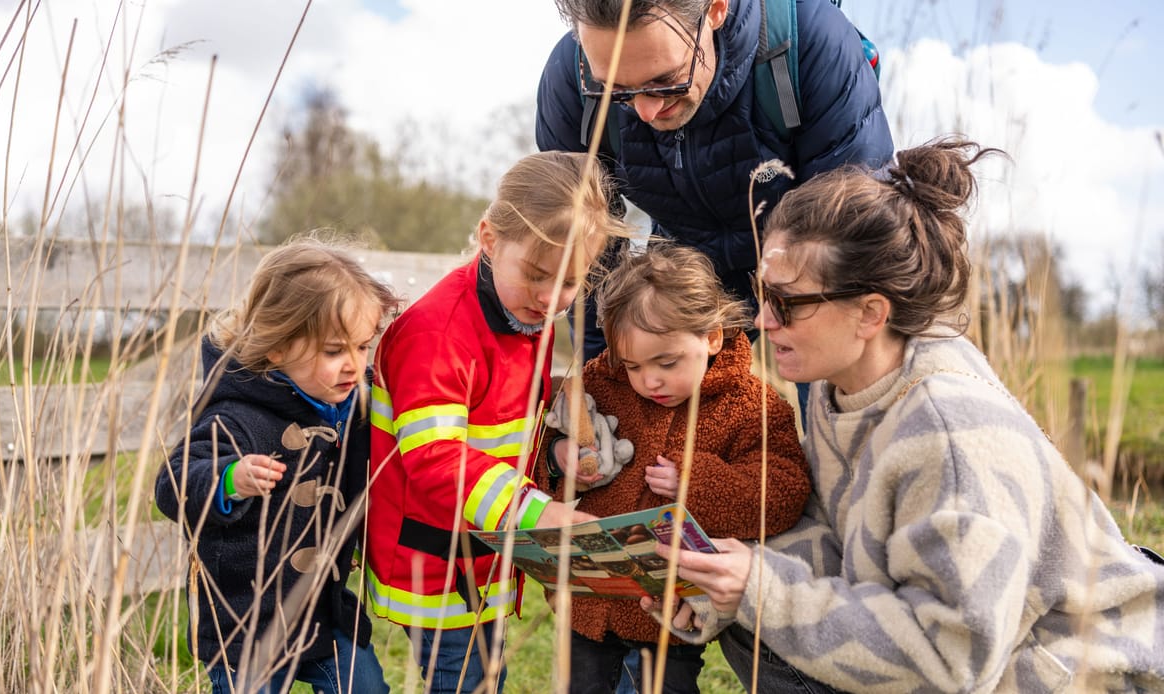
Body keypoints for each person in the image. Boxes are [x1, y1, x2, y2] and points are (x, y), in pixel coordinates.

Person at [643, 138, 1164, 692]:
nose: (762, 320)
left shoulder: (950, 433)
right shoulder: (843, 387)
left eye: (787, 303)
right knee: (754, 622)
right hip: (981, 652)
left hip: (1076, 672)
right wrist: (724, 584)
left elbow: (953, 658)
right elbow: (835, 537)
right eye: (761, 293)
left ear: (870, 313)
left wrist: (761, 590)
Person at [365, 151, 631, 694]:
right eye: (536, 274)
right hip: (435, 566)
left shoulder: (525, 317)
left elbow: (501, 426)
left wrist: (553, 455)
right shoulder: (438, 334)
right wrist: (538, 511)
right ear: (489, 238)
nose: (550, 298)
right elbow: (435, 456)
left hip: (482, 554)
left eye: (569, 282)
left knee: (487, 674)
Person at [536, 0, 894, 369]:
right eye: (617, 90)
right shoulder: (572, 80)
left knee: (837, 375)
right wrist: (604, 373)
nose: (645, 111)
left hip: (805, 257)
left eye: (665, 81)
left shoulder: (811, 41)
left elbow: (850, 241)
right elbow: (586, 255)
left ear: (716, 10)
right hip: (685, 261)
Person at [535, 241, 810, 693]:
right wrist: (559, 459)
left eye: (667, 362)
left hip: (672, 611)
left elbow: (782, 493)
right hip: (590, 599)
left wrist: (696, 481)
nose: (650, 380)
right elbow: (543, 450)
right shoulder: (602, 383)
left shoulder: (753, 407)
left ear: (712, 337)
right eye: (633, 365)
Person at [154, 235, 398, 694]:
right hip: (246, 623)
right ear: (278, 346)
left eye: (363, 347)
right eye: (334, 351)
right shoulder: (236, 415)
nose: (354, 365)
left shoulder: (357, 404)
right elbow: (172, 483)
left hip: (323, 611)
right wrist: (231, 478)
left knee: (366, 687)